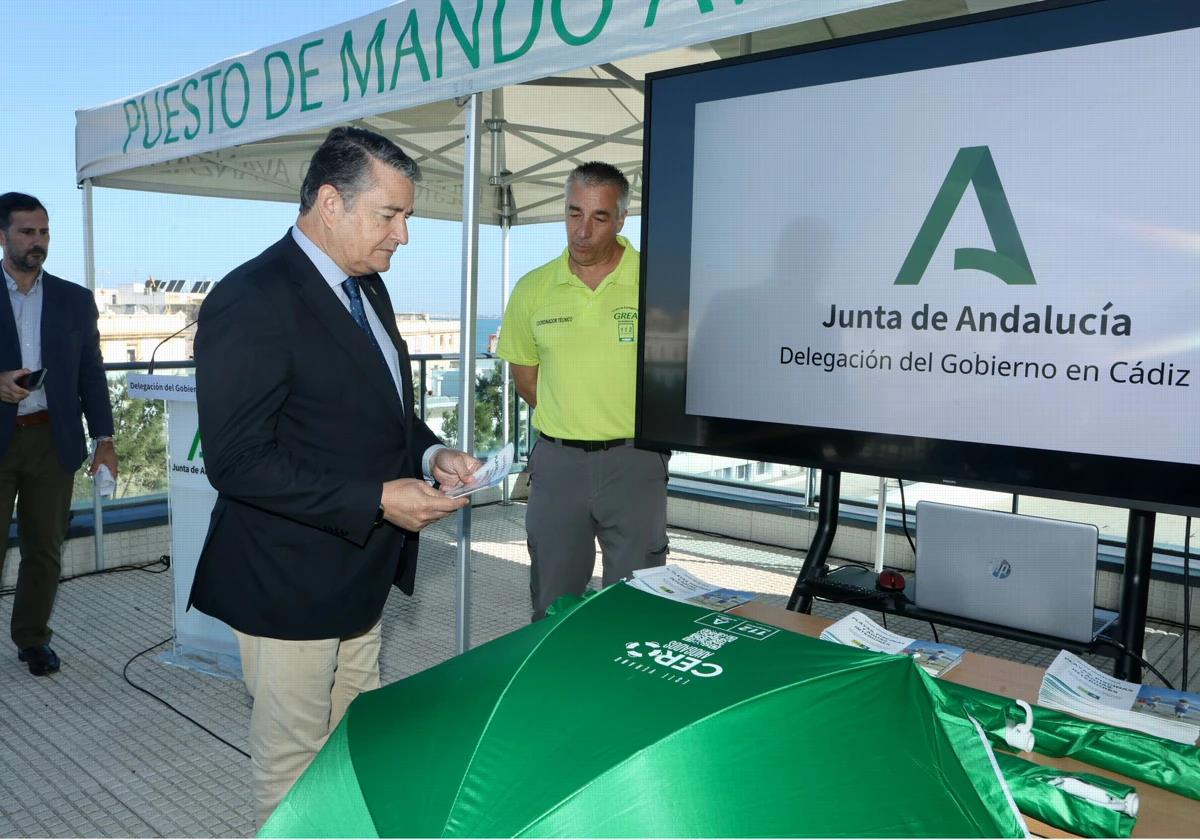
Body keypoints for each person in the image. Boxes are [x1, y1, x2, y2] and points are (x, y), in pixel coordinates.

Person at [189, 126, 481, 826]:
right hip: (286, 580)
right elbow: (237, 460)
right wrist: (378, 497)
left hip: (358, 572)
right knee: (294, 763)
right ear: (329, 203)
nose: (404, 235)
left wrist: (429, 454)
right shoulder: (251, 298)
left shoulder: (368, 288)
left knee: (353, 741)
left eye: (406, 216)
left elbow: (382, 414)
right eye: (391, 215)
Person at [497, 162, 669, 621]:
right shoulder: (533, 288)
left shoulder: (658, 281)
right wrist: (574, 420)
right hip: (557, 467)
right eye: (574, 214)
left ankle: (627, 692)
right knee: (552, 603)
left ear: (621, 219)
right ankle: (552, 691)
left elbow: (677, 373)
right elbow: (527, 379)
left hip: (635, 461)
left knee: (637, 605)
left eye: (599, 217)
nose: (583, 230)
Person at [0, 192, 117, 677]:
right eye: (27, 232)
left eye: (44, 232)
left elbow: (92, 372)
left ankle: (31, 638)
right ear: (3, 235)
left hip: (54, 441)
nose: (38, 241)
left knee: (44, 550)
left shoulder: (74, 299)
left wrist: (105, 438)